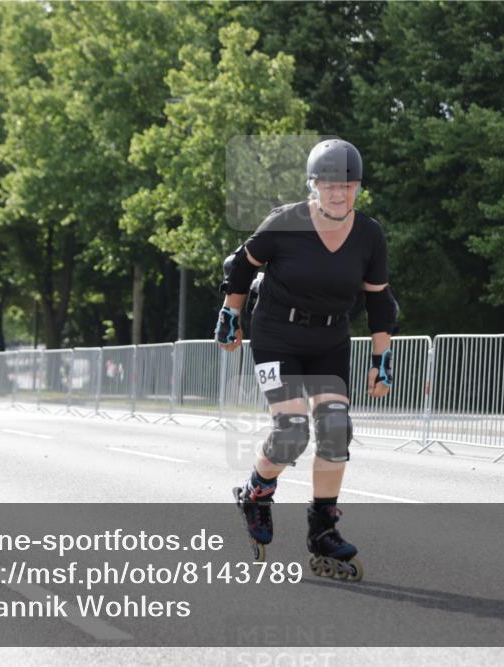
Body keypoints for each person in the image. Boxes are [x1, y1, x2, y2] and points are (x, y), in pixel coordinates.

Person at [214, 139, 397, 581]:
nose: (339, 194)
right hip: (277, 334)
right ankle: (256, 492)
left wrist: (381, 359)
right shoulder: (286, 222)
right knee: (292, 431)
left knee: (336, 429)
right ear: (313, 186)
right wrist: (230, 314)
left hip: (330, 338)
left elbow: (379, 302)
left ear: (358, 188)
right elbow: (240, 265)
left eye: (349, 186)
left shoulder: (369, 235)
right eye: (330, 185)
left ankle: (323, 530)